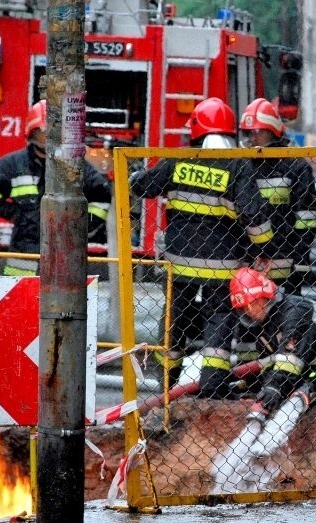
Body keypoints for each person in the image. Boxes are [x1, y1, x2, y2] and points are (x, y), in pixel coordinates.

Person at [129, 97, 275, 394]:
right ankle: (212, 391)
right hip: (223, 270)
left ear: (197, 129)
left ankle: (166, 391)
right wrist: (263, 250)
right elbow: (255, 217)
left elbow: (143, 186)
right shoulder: (237, 166)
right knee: (218, 328)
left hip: (179, 267)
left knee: (173, 327)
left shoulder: (179, 160)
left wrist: (132, 175)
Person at [211, 267, 316, 492]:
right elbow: (271, 362)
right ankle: (255, 456)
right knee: (276, 388)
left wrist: (271, 389)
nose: (248, 311)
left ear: (265, 296)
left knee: (301, 389)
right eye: (243, 308)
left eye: (251, 304)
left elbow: (291, 361)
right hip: (299, 367)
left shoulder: (295, 311)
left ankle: (268, 443)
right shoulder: (263, 320)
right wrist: (259, 389)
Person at [0, 99, 113, 275]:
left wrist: (83, 223)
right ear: (32, 132)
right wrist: (14, 213)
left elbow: (103, 194)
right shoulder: (14, 164)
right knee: (19, 297)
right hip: (24, 254)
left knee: (63, 299)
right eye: (44, 131)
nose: (50, 136)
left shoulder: (76, 165)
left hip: (64, 252)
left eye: (55, 131)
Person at [238, 98, 316, 293]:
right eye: (249, 133)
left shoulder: (296, 167)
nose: (253, 139)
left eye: (258, 132)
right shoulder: (241, 165)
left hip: (284, 263)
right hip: (245, 264)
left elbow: (307, 220)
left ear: (273, 132)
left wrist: (299, 261)